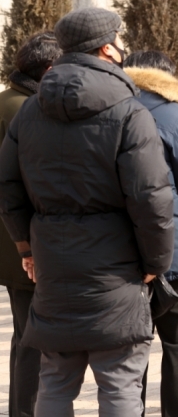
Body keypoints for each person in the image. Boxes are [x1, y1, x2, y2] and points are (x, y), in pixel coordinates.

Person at [0, 8, 175, 415]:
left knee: (56, 378)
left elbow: (7, 186)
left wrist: (26, 248)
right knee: (119, 381)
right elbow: (151, 196)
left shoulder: (30, 109)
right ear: (106, 47)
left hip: (53, 262)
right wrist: (156, 260)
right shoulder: (130, 111)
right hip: (117, 264)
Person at [124, 50, 178, 417]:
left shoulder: (110, 108)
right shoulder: (173, 112)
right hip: (174, 248)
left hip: (120, 251)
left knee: (131, 350)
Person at [0, 30, 61, 417]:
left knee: (25, 334)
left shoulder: (7, 100)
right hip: (23, 242)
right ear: (51, 68)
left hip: (9, 241)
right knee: (33, 339)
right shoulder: (28, 109)